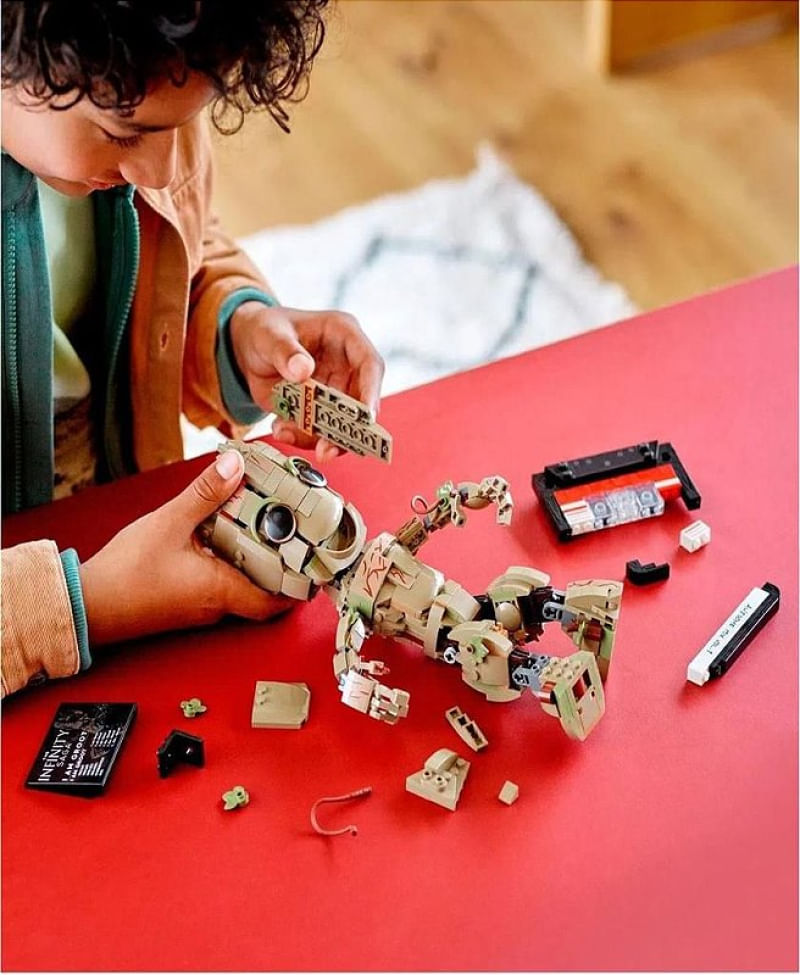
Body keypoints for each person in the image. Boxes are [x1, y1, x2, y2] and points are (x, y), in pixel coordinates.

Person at [1, 1, 384, 697]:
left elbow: (178, 246)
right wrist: (92, 602)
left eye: (186, 122)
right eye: (124, 133)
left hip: (115, 526)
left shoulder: (134, 95)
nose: (161, 169)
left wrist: (235, 328)